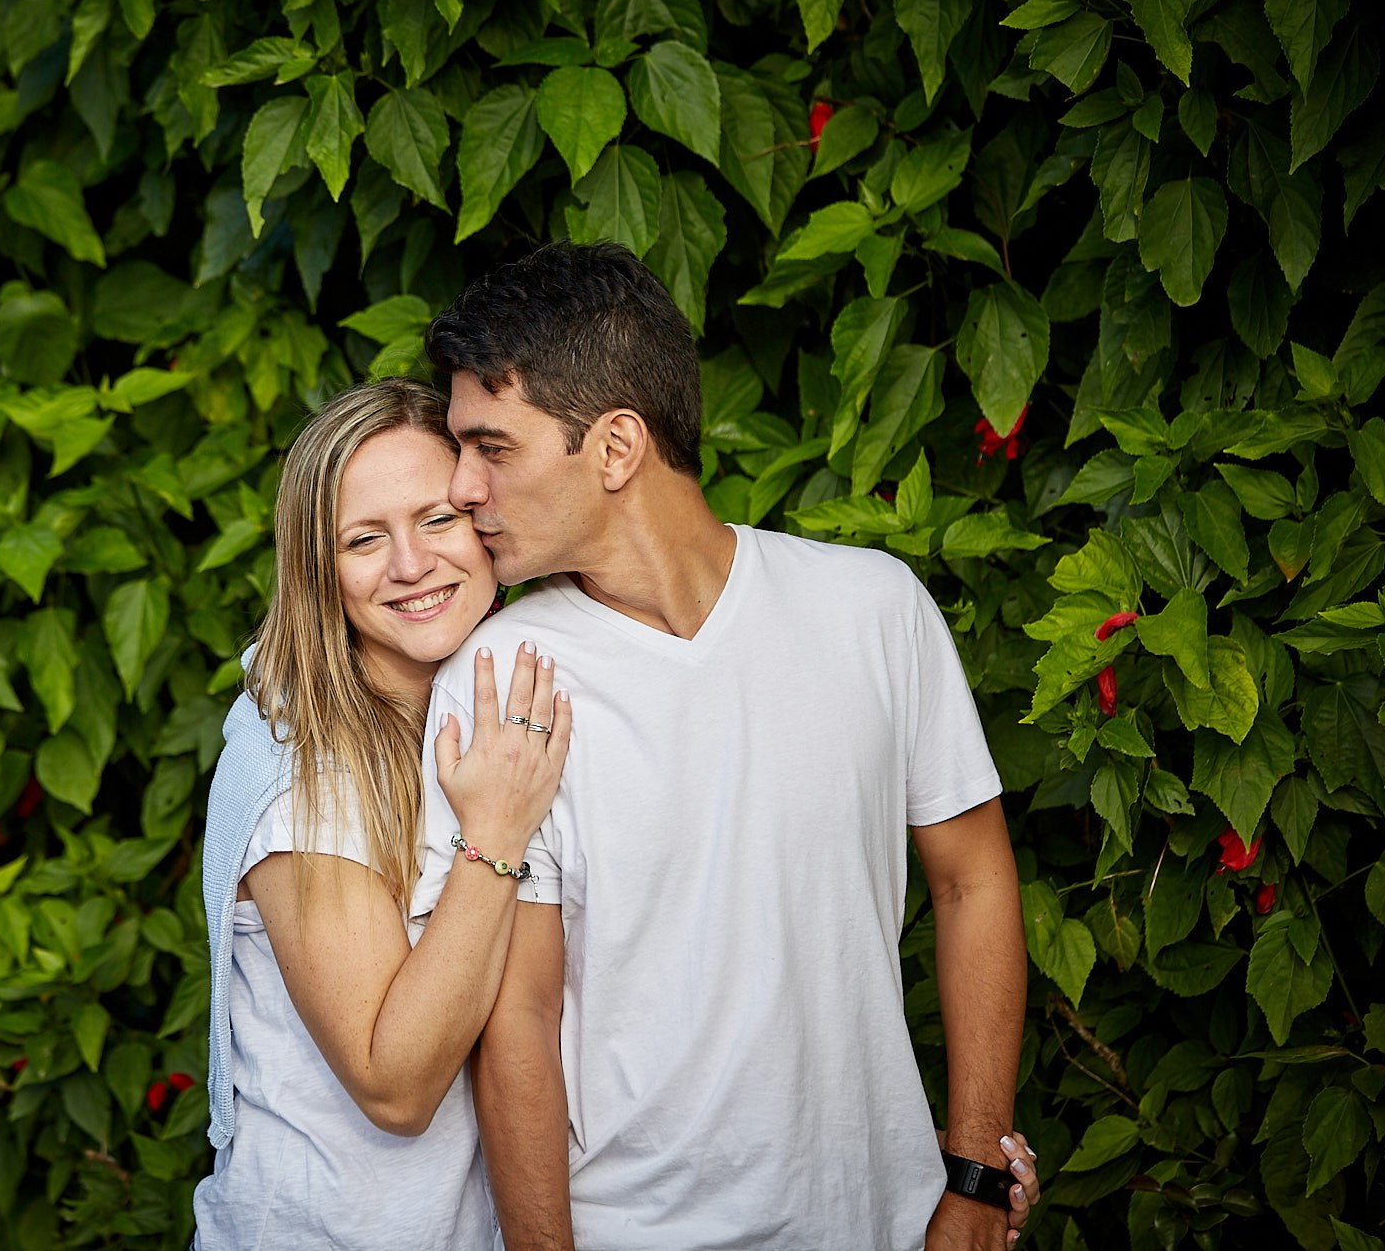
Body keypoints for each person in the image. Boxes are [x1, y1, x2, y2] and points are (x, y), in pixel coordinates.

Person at [409, 242, 1032, 1251]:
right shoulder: (501, 679)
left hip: (886, 1221)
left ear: (614, 449)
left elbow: (972, 883)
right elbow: (514, 1025)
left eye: (492, 447)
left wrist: (972, 1167)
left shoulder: (873, 609)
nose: (460, 486)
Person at [194, 379, 573, 1248]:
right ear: (318, 569)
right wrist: (497, 834)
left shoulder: (480, 704)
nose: (411, 564)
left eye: (437, 519)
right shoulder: (303, 764)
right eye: (365, 539)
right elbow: (393, 1084)